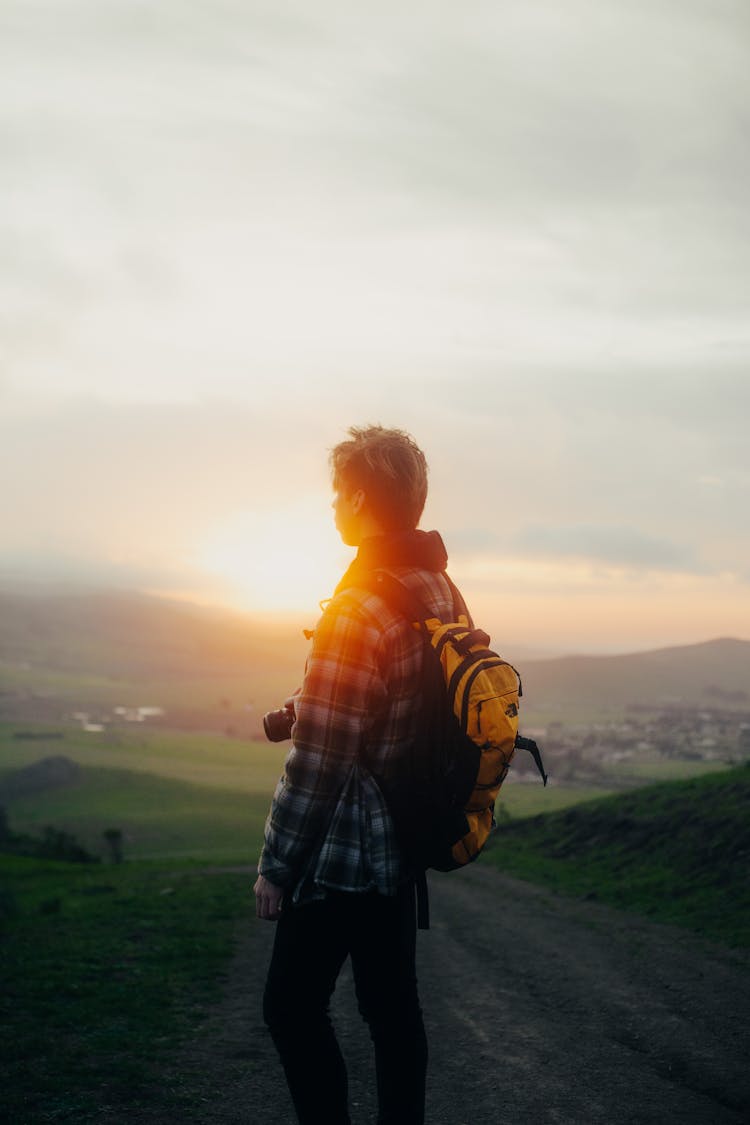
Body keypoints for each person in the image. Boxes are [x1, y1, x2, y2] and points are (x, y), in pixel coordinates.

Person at [254, 424, 458, 1125]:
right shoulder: (438, 587)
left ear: (363, 495)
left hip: (345, 849)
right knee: (393, 1011)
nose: (333, 505)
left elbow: (320, 760)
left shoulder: (357, 605)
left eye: (339, 491)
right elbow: (406, 694)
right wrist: (306, 702)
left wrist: (277, 865)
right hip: (406, 834)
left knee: (289, 1007)